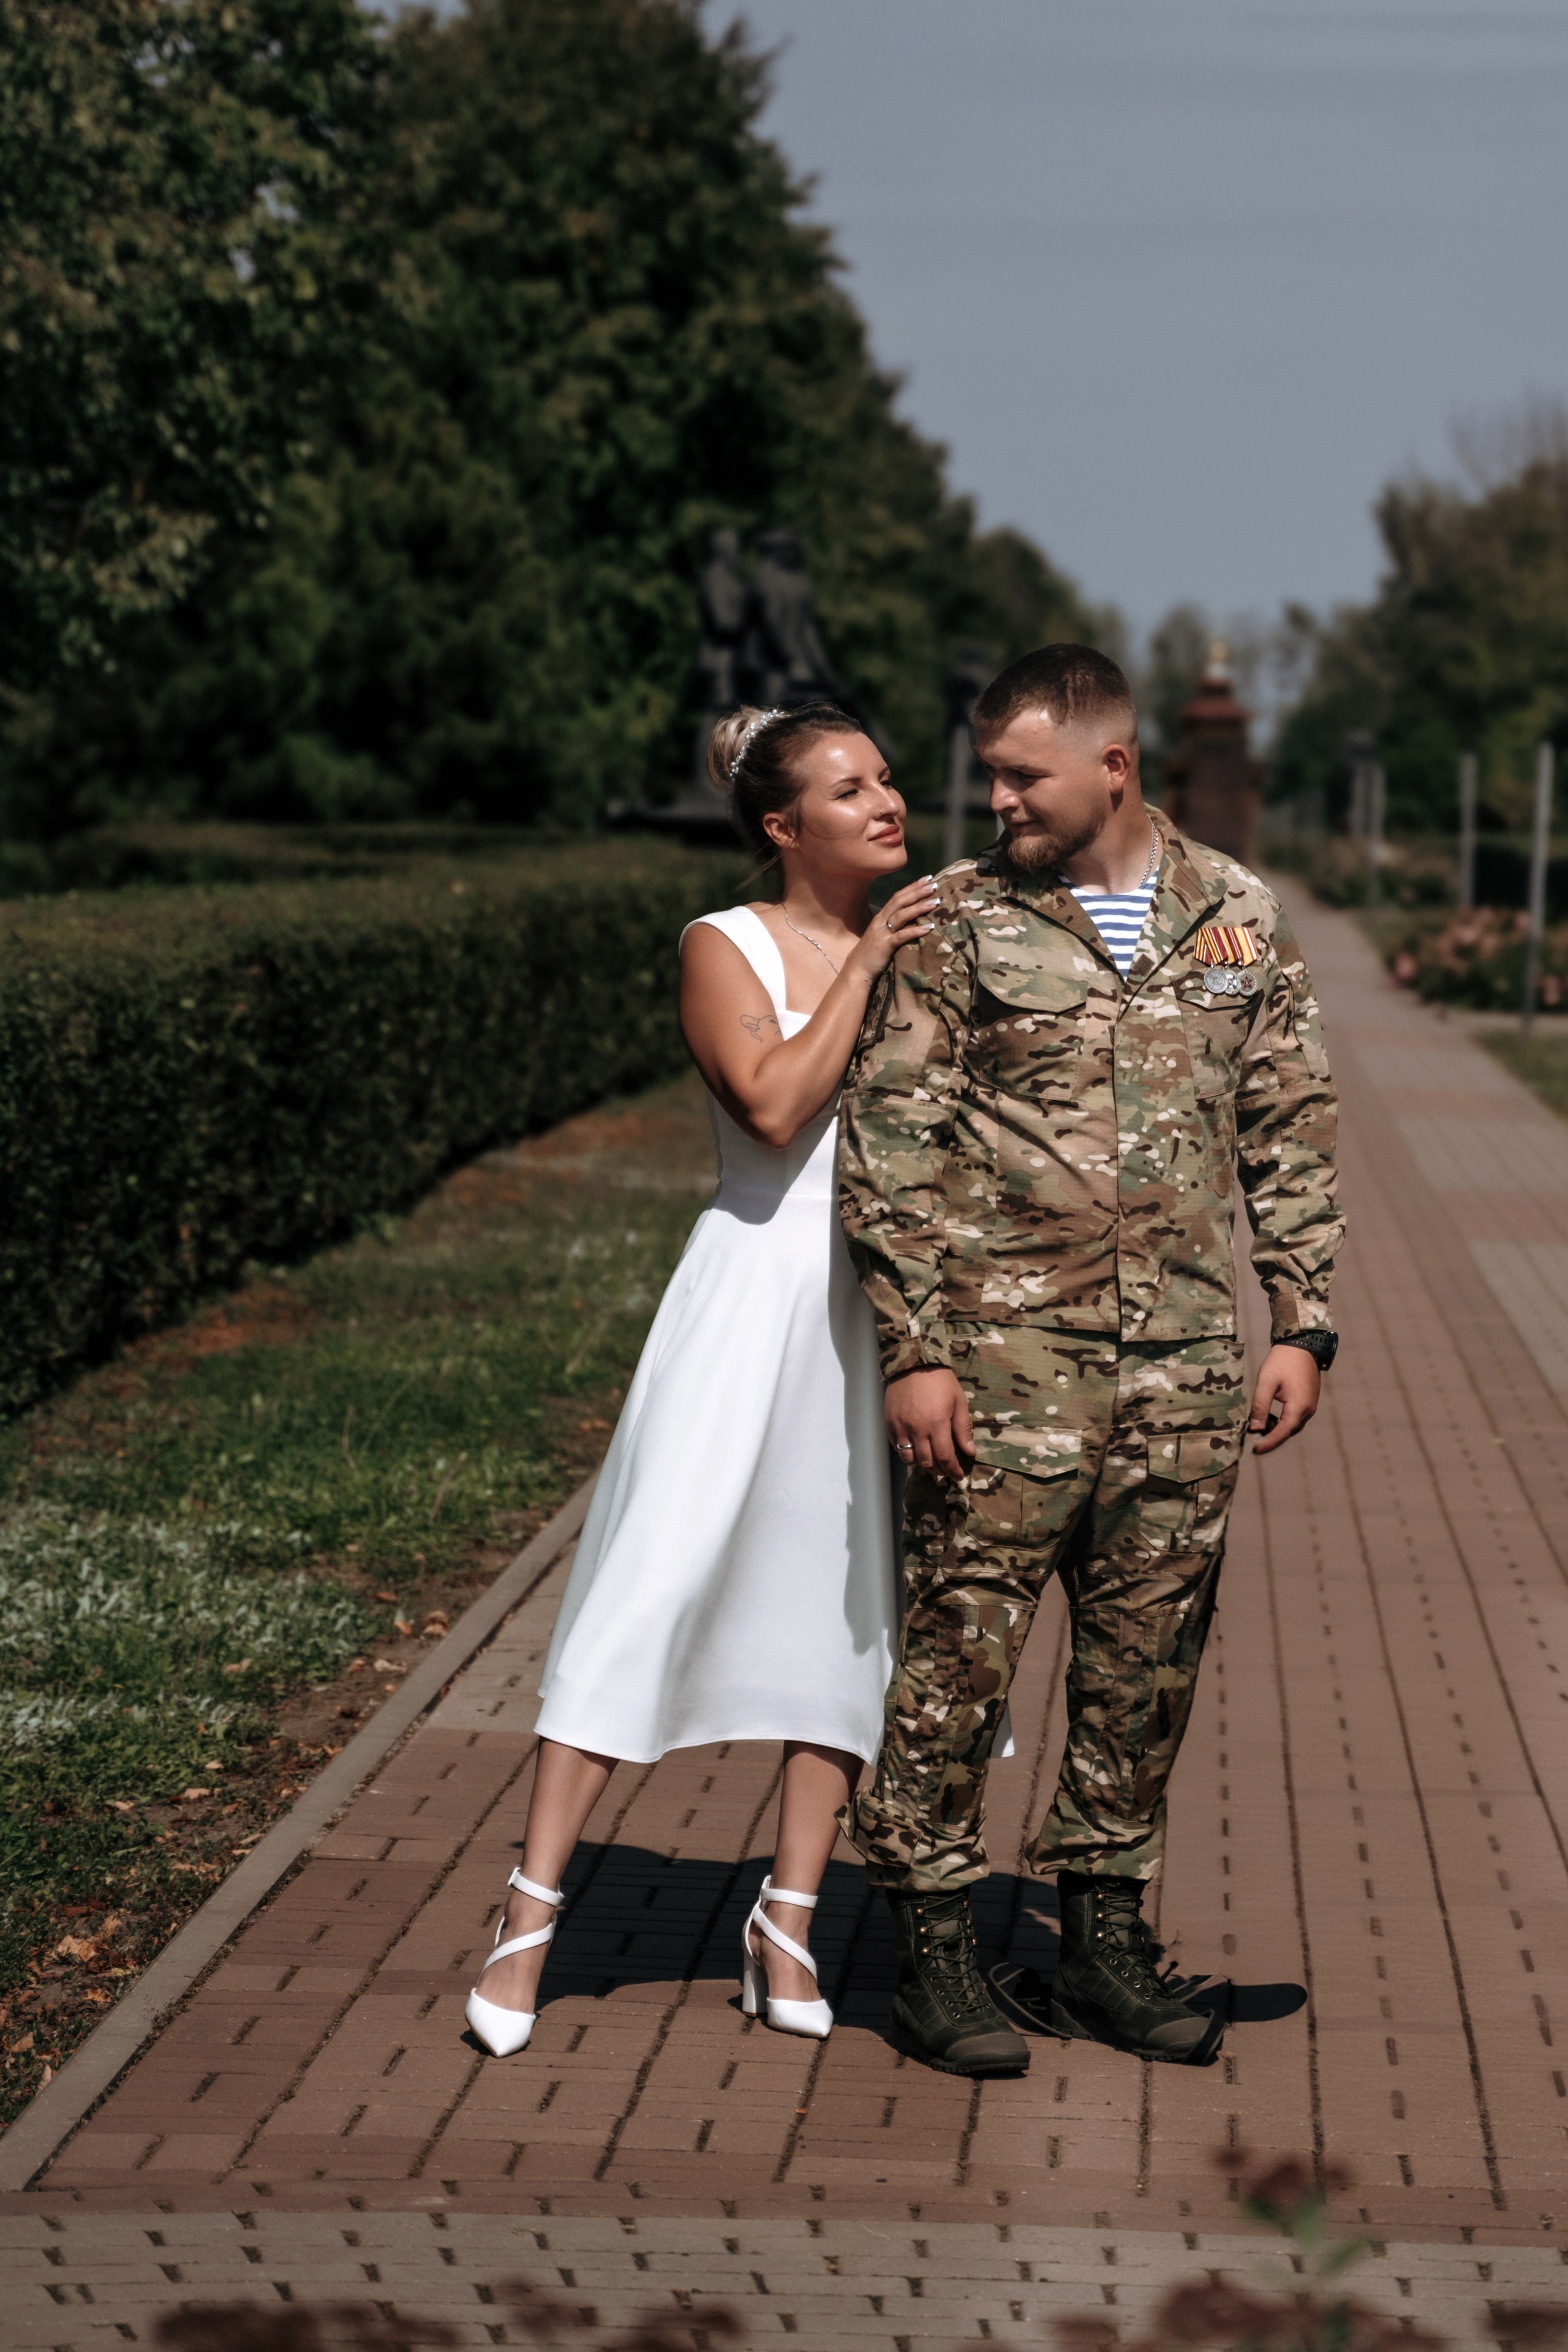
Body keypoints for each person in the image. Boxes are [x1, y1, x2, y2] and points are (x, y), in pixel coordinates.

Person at [837, 643, 1343, 2076]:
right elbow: (890, 1145)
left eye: (1021, 775)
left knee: (1142, 1671)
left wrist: (1299, 1320)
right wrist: (916, 1351)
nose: (994, 799)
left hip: (1182, 1373)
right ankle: (931, 1948)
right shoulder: (955, 927)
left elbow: (1288, 1128)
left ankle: (1100, 1945)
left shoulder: (1236, 919)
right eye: (988, 773)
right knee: (956, 1661)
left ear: (1112, 767)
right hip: (1002, 1376)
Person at [465, 702, 940, 2059]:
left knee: (845, 1620)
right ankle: (531, 1913)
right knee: (647, 1583)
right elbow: (776, 1106)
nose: (885, 803)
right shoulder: (720, 945)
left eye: (887, 779)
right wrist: (868, 967)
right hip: (746, 1302)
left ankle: (785, 1920)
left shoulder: (926, 946)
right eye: (850, 790)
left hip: (873, 1318)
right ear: (784, 827)